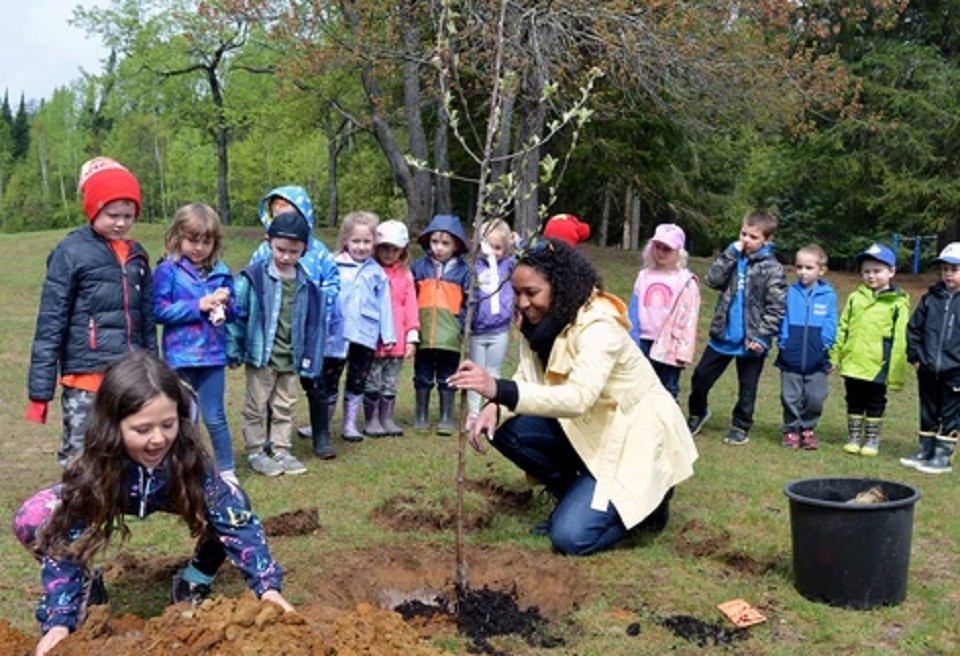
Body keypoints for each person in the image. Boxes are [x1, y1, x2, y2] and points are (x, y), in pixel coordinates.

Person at [12, 352, 294, 656]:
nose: (158, 439)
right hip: (116, 490)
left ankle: (194, 580)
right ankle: (84, 586)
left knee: (233, 502)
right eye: (142, 429)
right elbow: (62, 538)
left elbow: (234, 519)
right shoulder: (96, 466)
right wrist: (58, 622)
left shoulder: (186, 455)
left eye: (168, 424)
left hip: (169, 490)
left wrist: (268, 589)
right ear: (114, 425)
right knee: (34, 518)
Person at [448, 238, 698, 556]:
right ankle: (574, 497)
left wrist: (499, 390)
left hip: (629, 441)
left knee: (569, 538)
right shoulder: (539, 326)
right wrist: (495, 407)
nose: (522, 303)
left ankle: (650, 506)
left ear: (560, 287)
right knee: (504, 427)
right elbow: (528, 378)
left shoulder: (598, 326)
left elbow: (578, 397)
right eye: (518, 293)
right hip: (585, 429)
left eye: (532, 293)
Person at [26, 157, 157, 466]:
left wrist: (154, 373)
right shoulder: (70, 253)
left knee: (125, 451)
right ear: (93, 210)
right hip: (85, 378)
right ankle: (75, 511)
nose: (121, 223)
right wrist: (39, 392)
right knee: (81, 455)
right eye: (113, 215)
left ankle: (117, 507)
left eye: (129, 215)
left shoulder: (138, 256)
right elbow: (50, 322)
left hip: (128, 376)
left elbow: (147, 322)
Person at [228, 212, 325, 475]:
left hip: (291, 356)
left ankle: (282, 450)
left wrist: (310, 359)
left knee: (286, 405)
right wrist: (233, 349)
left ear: (304, 249)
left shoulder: (307, 284)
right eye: (280, 249)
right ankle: (256, 451)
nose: (285, 256)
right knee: (256, 405)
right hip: (263, 356)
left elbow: (314, 325)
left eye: (293, 251)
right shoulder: (253, 277)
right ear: (268, 242)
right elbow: (238, 315)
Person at [248, 186, 341, 456]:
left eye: (289, 215)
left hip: (309, 331)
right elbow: (252, 280)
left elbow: (333, 283)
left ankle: (321, 436)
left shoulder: (319, 252)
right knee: (271, 384)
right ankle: (270, 437)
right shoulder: (266, 250)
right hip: (276, 333)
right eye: (276, 216)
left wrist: (320, 311)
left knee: (315, 383)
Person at [686, 210, 787, 445]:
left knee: (747, 388)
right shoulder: (733, 257)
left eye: (753, 237)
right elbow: (712, 280)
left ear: (767, 240)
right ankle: (697, 412)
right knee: (700, 377)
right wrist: (729, 254)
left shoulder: (773, 269)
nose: (746, 240)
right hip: (723, 335)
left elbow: (776, 308)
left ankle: (741, 426)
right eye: (743, 234)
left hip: (752, 340)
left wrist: (762, 337)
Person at [153, 203, 238, 484]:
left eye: (206, 241)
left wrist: (226, 305)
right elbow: (160, 311)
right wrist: (197, 305)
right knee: (184, 418)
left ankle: (226, 471)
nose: (199, 247)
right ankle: (182, 469)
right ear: (178, 236)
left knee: (215, 417)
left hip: (213, 357)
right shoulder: (169, 270)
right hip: (180, 357)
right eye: (192, 240)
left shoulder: (222, 271)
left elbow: (236, 312)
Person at [321, 211, 395, 443]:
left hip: (365, 334)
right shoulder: (332, 264)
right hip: (335, 334)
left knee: (357, 380)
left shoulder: (376, 272)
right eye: (356, 241)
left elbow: (385, 304)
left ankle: (350, 424)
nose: (361, 247)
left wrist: (388, 333)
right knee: (328, 380)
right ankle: (321, 424)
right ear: (345, 240)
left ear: (374, 243)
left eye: (367, 241)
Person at [831, 243, 910, 457]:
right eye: (866, 271)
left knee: (875, 401)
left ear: (891, 272)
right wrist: (835, 355)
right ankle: (854, 436)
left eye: (877, 271)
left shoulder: (898, 303)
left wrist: (896, 371)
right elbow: (843, 327)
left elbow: (901, 338)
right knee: (853, 399)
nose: (871, 276)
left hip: (877, 364)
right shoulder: (855, 298)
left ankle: (872, 438)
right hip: (853, 362)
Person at [411, 214, 471, 435]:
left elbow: (469, 301)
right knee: (423, 374)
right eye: (435, 242)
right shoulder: (418, 267)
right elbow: (410, 298)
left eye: (446, 243)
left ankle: (447, 416)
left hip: (450, 335)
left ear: (457, 245)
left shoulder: (465, 271)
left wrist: (460, 324)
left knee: (448, 374)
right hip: (424, 332)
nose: (439, 248)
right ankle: (421, 414)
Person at [903, 242, 960, 473]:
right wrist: (915, 357)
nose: (948, 274)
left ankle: (942, 456)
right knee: (928, 409)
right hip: (927, 367)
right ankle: (925, 449)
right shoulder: (930, 298)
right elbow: (914, 328)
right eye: (945, 269)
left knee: (950, 412)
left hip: (955, 371)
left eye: (954, 269)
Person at [774, 244, 838, 450]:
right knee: (789, 396)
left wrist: (824, 343)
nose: (803, 272)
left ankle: (808, 428)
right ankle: (792, 430)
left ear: (821, 270)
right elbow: (782, 318)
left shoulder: (828, 295)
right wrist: (783, 341)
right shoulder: (789, 292)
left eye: (809, 268)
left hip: (817, 355)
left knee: (816, 397)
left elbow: (831, 321)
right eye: (799, 267)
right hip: (790, 353)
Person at [627, 223, 700, 400]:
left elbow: (690, 318)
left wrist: (684, 350)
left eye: (666, 249)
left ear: (678, 252)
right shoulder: (644, 275)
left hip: (669, 343)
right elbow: (634, 307)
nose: (660, 252)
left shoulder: (685, 281)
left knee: (668, 387)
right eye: (657, 247)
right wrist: (631, 335)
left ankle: (670, 424)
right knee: (641, 384)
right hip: (643, 340)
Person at [364, 220, 419, 437]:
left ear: (403, 250)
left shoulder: (405, 275)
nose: (388, 253)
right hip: (374, 339)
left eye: (394, 249)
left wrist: (412, 336)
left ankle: (387, 417)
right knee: (372, 378)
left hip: (397, 340)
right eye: (384, 248)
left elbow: (411, 306)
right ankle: (372, 418)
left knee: (391, 381)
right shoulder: (369, 271)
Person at [466, 218, 516, 429]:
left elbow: (527, 258)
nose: (493, 252)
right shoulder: (474, 267)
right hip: (478, 330)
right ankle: (473, 413)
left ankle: (491, 410)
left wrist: (518, 244)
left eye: (498, 247)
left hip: (500, 330)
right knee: (476, 370)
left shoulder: (508, 266)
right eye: (489, 246)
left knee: (494, 371)